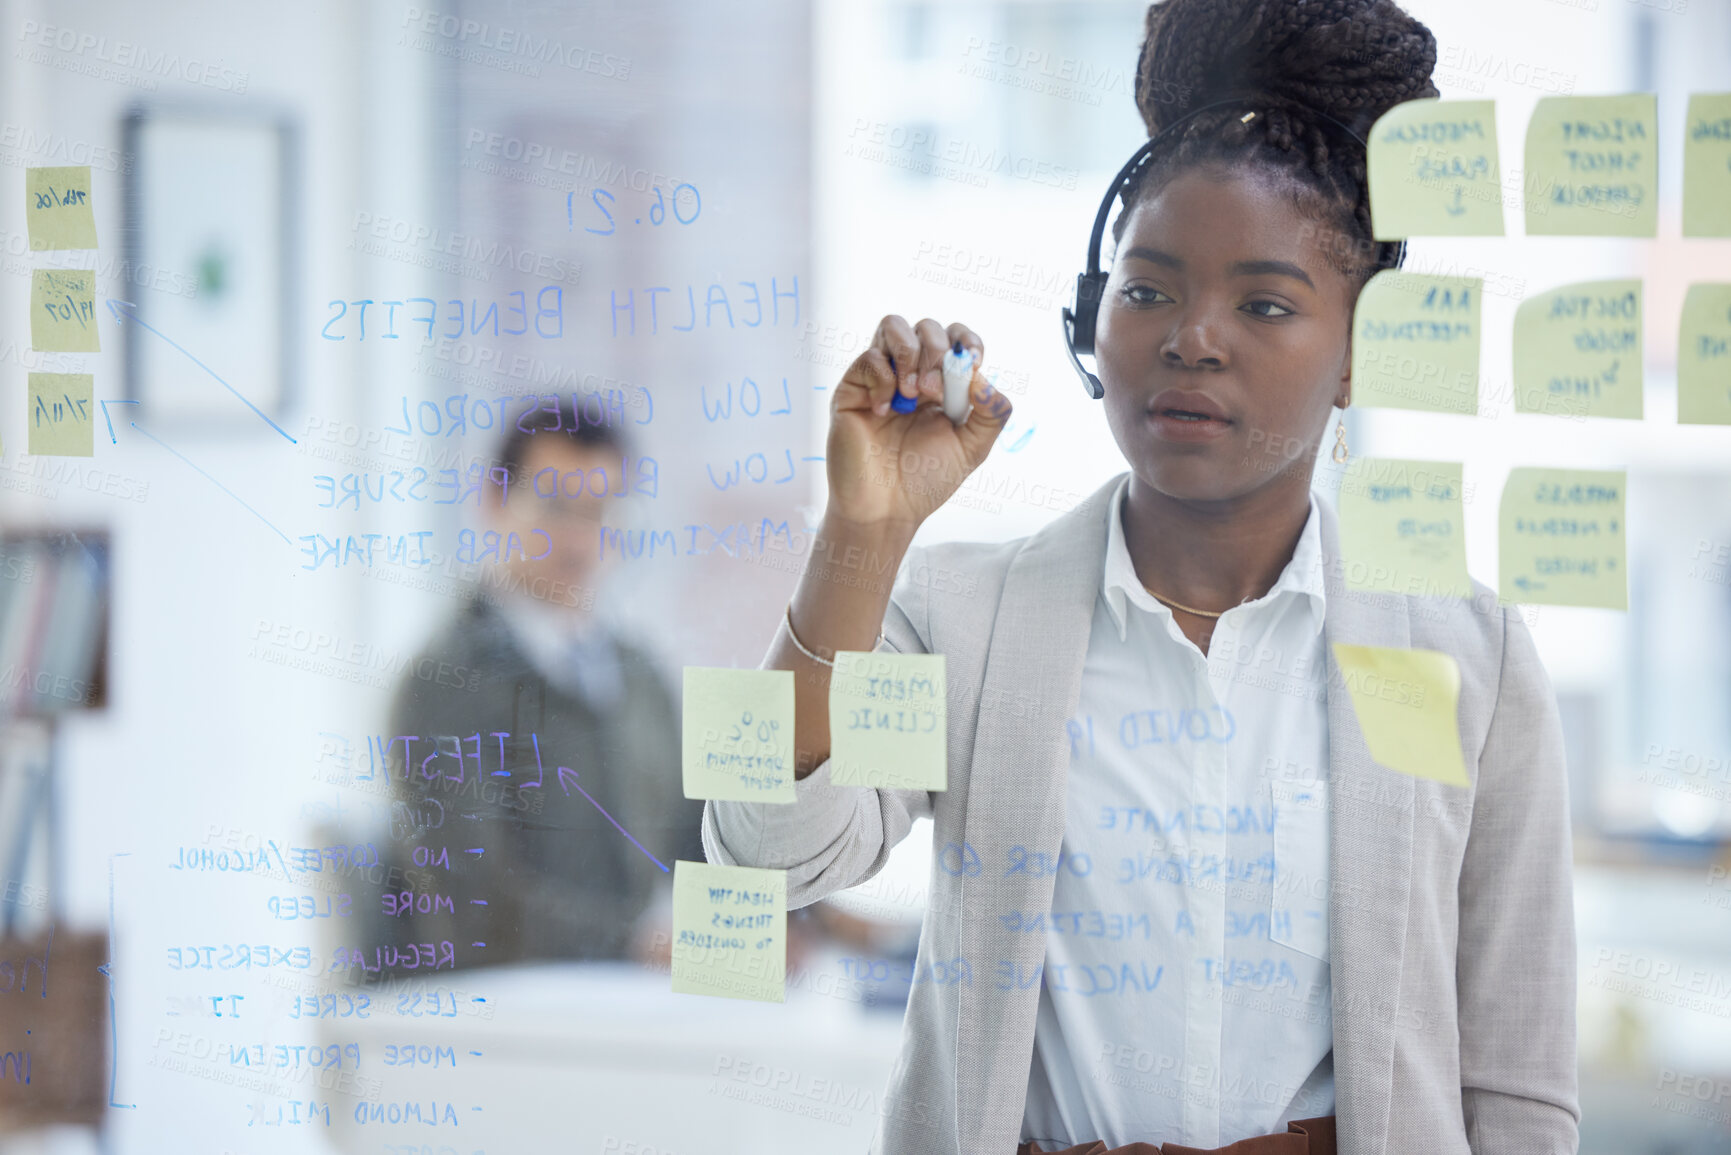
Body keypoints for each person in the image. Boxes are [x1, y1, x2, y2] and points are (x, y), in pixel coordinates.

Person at [702, 1, 1579, 1153]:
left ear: (1361, 352)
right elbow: (758, 848)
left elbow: (1518, 1087)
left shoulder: (1473, 654)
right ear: (1090, 319)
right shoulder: (959, 613)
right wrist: (861, 533)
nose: (1193, 338)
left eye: (1264, 303)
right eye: (1150, 289)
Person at [370, 412, 706, 971]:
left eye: (600, 513)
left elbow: (696, 840)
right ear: (494, 503)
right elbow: (474, 905)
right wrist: (641, 945)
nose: (579, 540)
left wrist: (802, 911)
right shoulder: (445, 681)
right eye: (554, 508)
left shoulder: (639, 674)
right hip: (489, 1025)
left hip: (620, 1005)